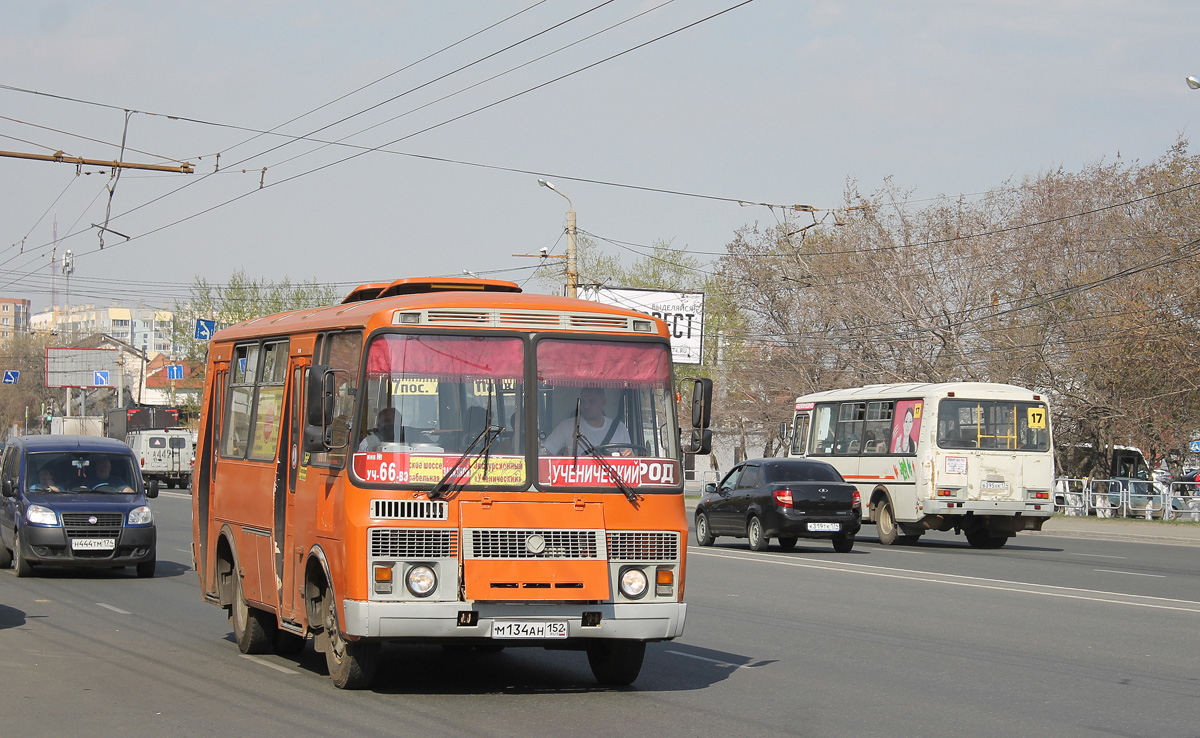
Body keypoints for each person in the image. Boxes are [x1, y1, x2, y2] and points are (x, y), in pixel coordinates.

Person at [541, 387, 633, 456]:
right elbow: (544, 454)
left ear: (603, 402)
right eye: (584, 402)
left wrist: (627, 456)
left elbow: (630, 459)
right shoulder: (566, 427)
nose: (586, 406)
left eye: (591, 401)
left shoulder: (619, 428)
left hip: (612, 480)